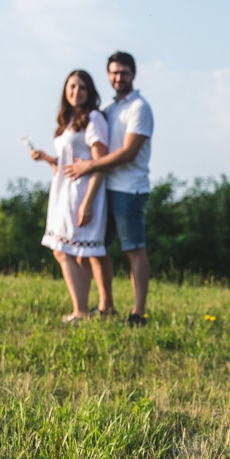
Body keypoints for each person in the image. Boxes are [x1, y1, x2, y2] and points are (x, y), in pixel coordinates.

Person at [64, 51, 154, 328]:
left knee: (133, 250)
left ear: (133, 74)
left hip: (130, 189)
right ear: (108, 75)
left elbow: (129, 152)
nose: (118, 77)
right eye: (114, 72)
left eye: (124, 72)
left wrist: (89, 166)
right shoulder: (110, 110)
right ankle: (106, 305)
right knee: (97, 248)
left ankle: (138, 313)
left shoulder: (139, 107)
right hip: (106, 187)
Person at [31, 69, 109, 323]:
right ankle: (82, 310)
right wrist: (47, 159)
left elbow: (100, 163)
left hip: (82, 192)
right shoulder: (68, 120)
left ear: (90, 92)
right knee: (74, 253)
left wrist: (87, 204)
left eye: (82, 88)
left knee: (64, 251)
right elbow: (68, 161)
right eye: (72, 87)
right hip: (63, 191)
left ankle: (80, 310)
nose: (76, 92)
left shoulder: (93, 118)